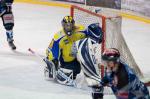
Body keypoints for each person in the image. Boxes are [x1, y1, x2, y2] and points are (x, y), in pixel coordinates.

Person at [44, 16, 87, 85]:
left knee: (76, 70)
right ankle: (53, 68)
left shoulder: (81, 31)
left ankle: (64, 70)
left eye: (70, 25)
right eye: (66, 25)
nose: (68, 27)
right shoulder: (59, 36)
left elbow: (89, 32)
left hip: (75, 58)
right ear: (63, 25)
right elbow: (52, 49)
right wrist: (53, 60)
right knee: (55, 67)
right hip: (64, 59)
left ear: (73, 25)